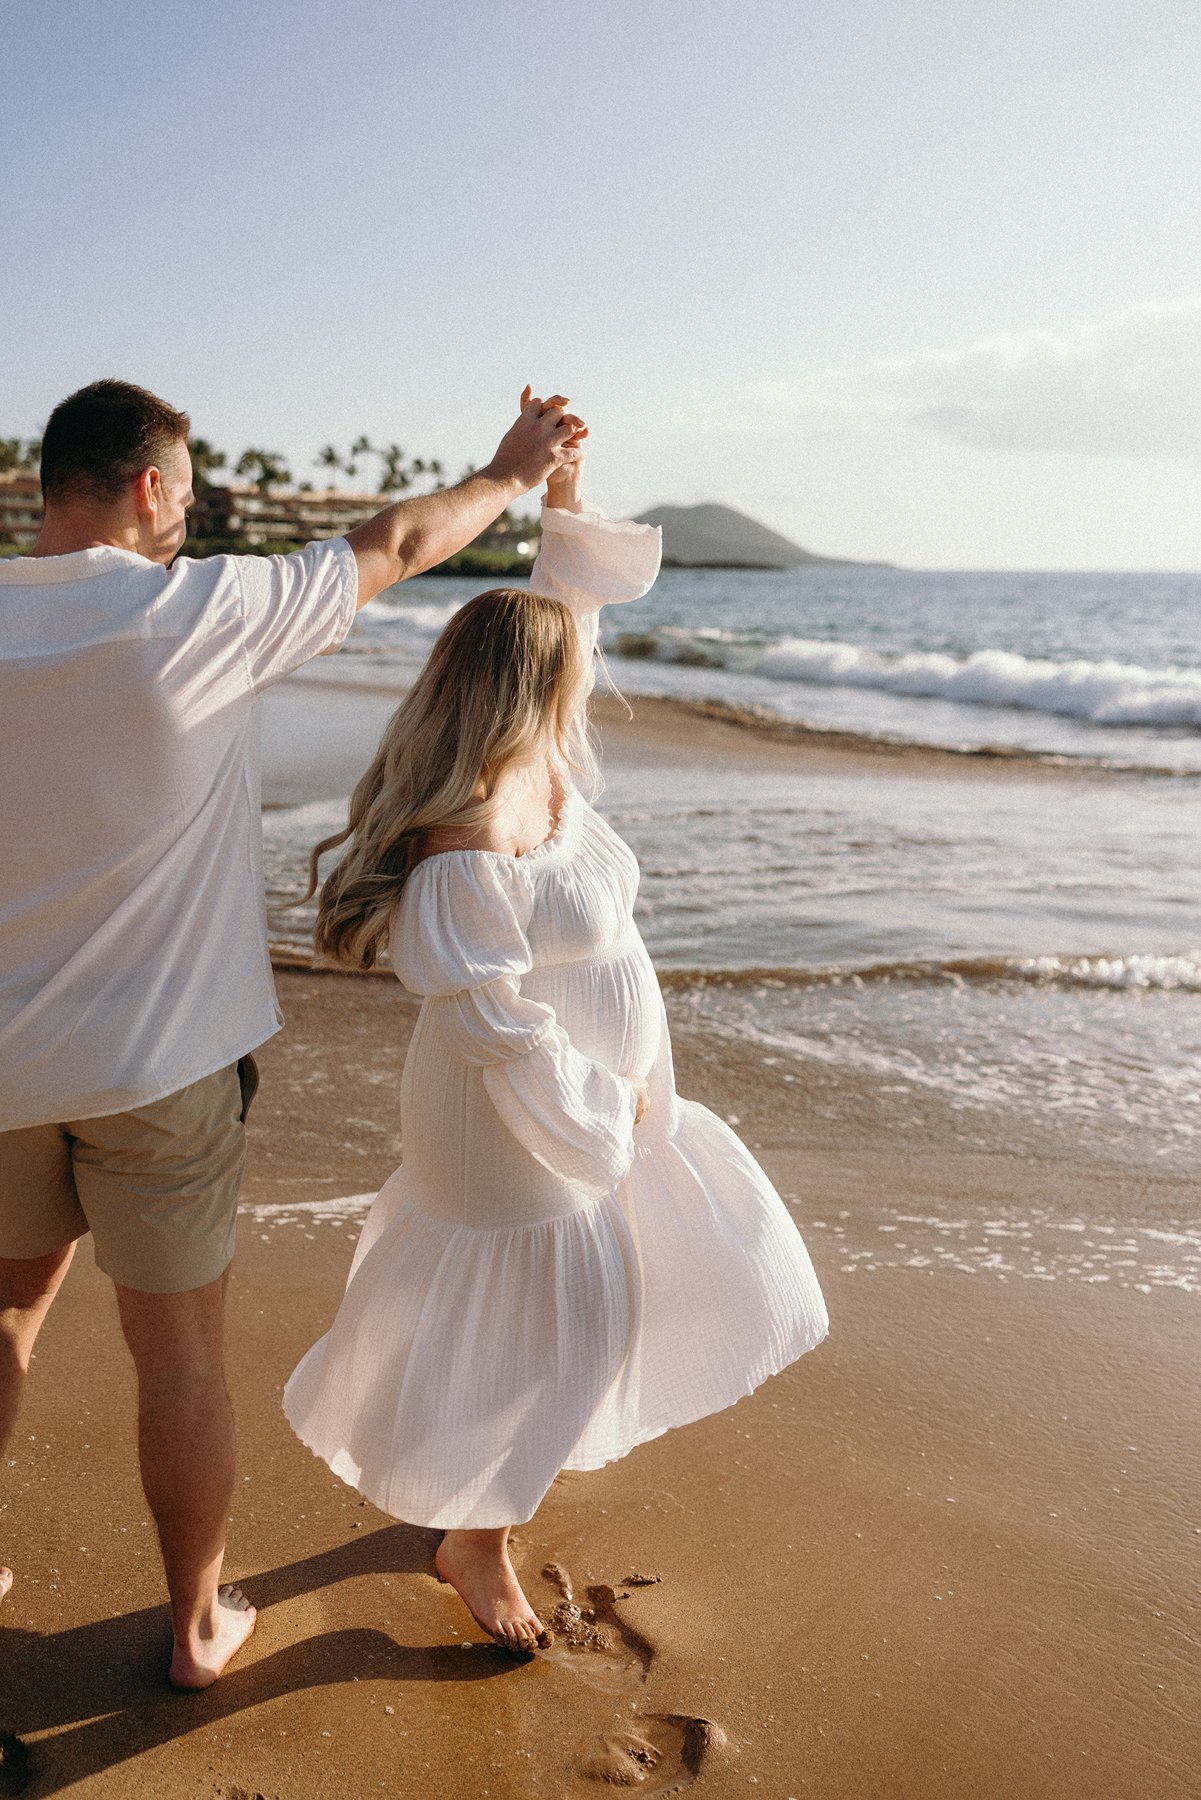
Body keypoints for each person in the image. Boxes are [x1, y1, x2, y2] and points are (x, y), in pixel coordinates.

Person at [0, 377, 584, 1687]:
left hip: (3, 1069)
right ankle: (197, 1626)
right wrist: (507, 472)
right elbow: (396, 544)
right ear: (152, 487)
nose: (189, 516)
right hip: (164, 1068)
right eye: (187, 492)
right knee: (179, 1356)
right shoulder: (200, 610)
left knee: (7, 1317)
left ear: (53, 484)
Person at [283, 439, 829, 1649]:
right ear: (526, 695)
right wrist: (602, 1105)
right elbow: (487, 1017)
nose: (591, 680)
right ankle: (475, 1544)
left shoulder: (544, 764)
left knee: (576, 1316)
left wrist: (565, 497)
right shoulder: (465, 844)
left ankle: (474, 1513)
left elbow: (570, 610)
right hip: (511, 1116)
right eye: (571, 676)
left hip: (582, 1108)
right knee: (562, 1321)